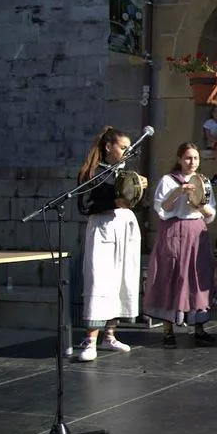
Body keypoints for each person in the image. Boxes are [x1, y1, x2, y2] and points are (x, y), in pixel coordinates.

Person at [76, 127, 147, 362]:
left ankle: (110, 335)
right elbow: (85, 205)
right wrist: (115, 201)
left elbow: (136, 203)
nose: (127, 151)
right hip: (103, 227)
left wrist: (139, 189)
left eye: (128, 148)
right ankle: (90, 341)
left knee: (120, 279)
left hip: (124, 227)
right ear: (109, 147)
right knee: (100, 280)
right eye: (123, 147)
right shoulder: (93, 172)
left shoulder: (124, 173)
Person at [144, 142, 217, 348]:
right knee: (171, 275)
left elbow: (210, 213)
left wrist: (199, 205)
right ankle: (168, 330)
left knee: (197, 276)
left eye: (195, 158)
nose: (192, 162)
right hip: (174, 231)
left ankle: (199, 328)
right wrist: (178, 192)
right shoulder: (168, 181)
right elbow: (162, 208)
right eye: (188, 158)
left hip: (196, 231)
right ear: (179, 159)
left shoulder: (203, 181)